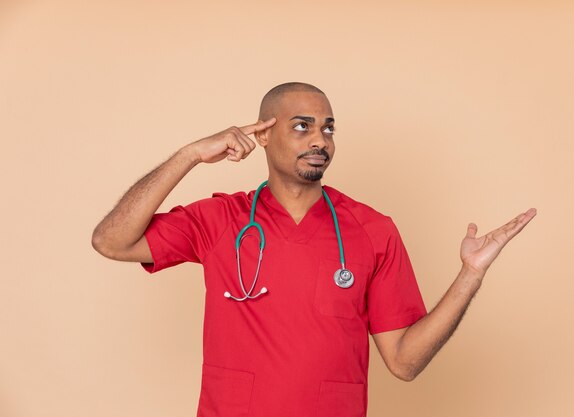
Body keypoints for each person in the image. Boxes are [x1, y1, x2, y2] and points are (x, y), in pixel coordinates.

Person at [91, 81, 537, 417]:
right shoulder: (219, 221)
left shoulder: (372, 230)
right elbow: (111, 240)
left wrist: (470, 275)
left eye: (328, 128)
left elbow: (404, 361)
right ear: (263, 135)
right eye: (302, 127)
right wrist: (189, 154)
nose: (320, 140)